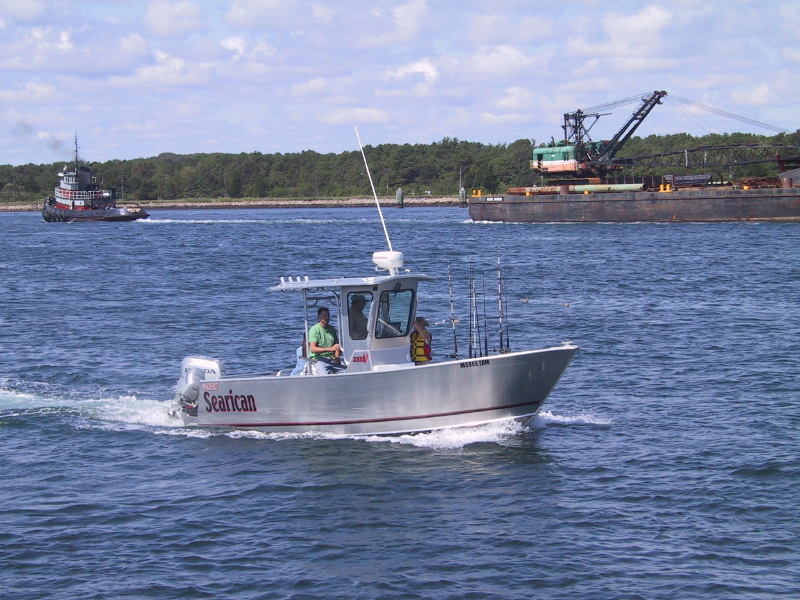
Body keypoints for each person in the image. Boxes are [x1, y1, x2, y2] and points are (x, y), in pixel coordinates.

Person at [308, 307, 345, 374]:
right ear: (319, 317)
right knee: (323, 373)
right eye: (324, 315)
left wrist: (336, 357)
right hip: (318, 360)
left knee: (347, 371)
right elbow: (313, 348)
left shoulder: (332, 329)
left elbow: (337, 346)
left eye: (328, 315)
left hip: (331, 359)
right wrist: (329, 349)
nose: (327, 317)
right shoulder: (314, 329)